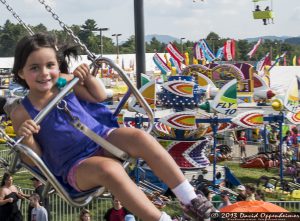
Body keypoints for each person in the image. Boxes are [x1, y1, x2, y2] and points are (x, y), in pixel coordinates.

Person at [9, 33, 214, 221]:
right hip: (74, 165)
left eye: (50, 65)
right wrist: (26, 138)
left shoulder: (64, 82)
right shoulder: (21, 112)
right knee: (109, 169)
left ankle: (190, 199)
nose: (44, 73)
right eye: (34, 68)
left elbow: (98, 96)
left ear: (57, 66)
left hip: (101, 137)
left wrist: (87, 78)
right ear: (21, 72)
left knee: (139, 137)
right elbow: (32, 158)